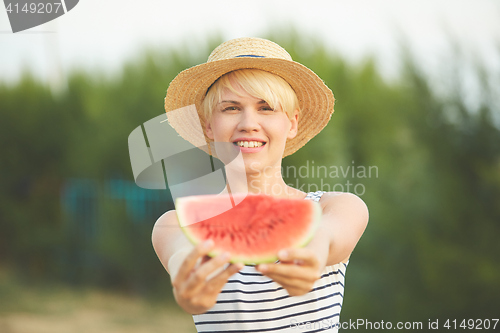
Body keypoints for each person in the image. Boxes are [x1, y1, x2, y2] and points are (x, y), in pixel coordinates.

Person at [152, 37, 369, 332]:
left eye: (266, 107)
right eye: (230, 108)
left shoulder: (336, 207)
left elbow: (328, 234)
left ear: (291, 124)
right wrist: (186, 279)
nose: (248, 123)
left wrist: (314, 250)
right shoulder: (176, 224)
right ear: (208, 125)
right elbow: (180, 255)